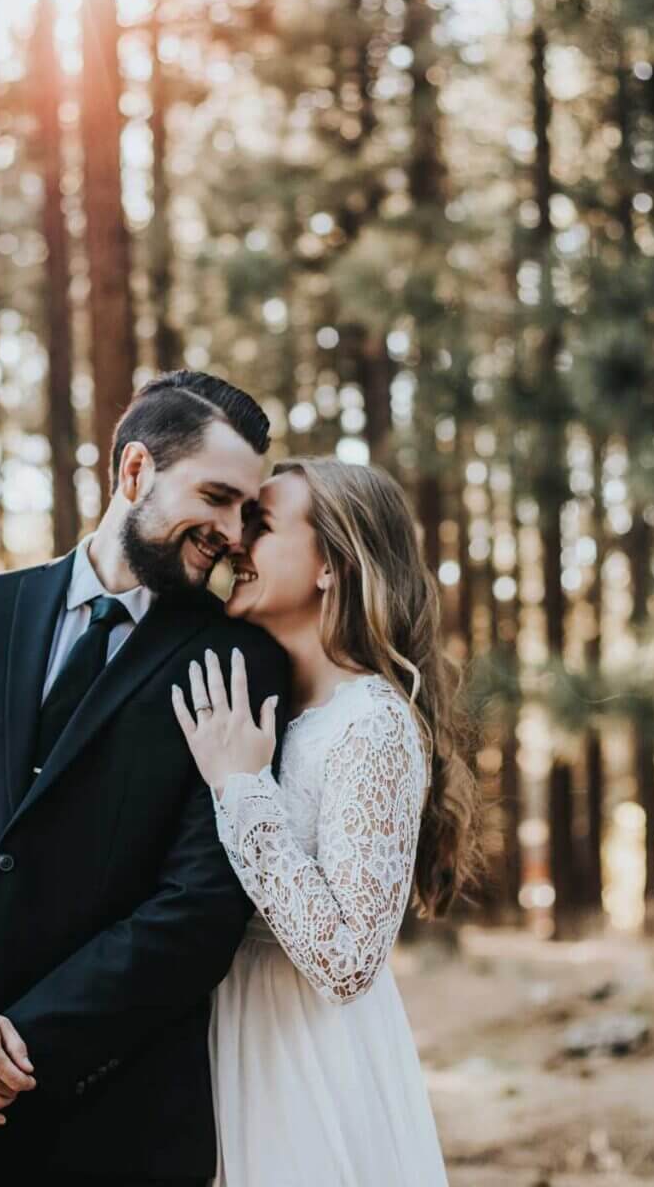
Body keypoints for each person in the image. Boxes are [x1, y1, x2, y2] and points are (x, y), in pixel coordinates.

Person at [0, 370, 291, 1185]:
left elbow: (195, 910)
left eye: (247, 514)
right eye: (217, 498)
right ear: (134, 471)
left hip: (109, 1129)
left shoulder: (239, 662)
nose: (233, 532)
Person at [172, 456, 481, 1186]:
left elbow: (348, 962)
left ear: (330, 565)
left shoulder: (371, 724)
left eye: (263, 526)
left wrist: (242, 789)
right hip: (229, 1031)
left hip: (306, 1058)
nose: (235, 545)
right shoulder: (276, 707)